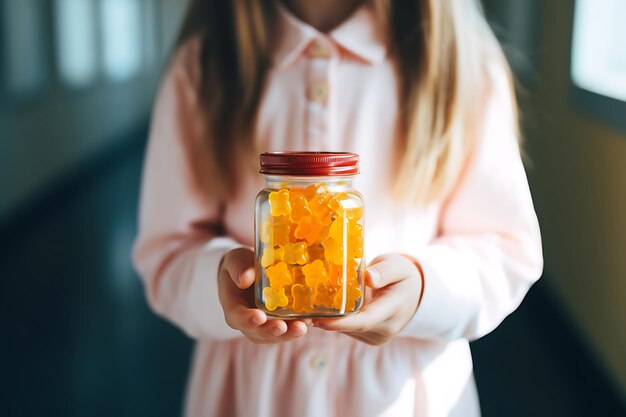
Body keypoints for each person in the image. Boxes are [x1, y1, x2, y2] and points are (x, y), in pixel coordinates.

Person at [133, 0, 543, 415]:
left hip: (408, 395)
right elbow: (166, 255)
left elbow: (506, 252)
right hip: (250, 395)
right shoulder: (200, 69)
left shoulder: (463, 65)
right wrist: (219, 284)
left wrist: (423, 290)